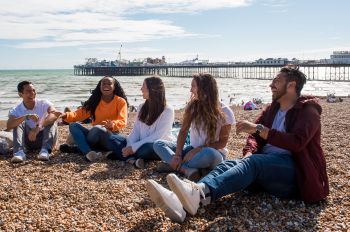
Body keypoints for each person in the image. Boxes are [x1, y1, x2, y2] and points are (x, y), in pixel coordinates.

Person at [146, 66, 329, 223]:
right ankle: (182, 201)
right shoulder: (272, 109)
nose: (271, 84)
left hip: (295, 174)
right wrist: (250, 150)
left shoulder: (308, 111)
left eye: (277, 81)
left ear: (291, 85)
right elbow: (254, 139)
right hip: (267, 165)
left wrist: (258, 129)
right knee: (229, 164)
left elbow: (297, 143)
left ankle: (199, 195)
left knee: (253, 163)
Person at [153, 73, 235, 181]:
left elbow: (222, 142)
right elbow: (183, 131)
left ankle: (174, 166)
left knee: (208, 153)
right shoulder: (193, 107)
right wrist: (177, 155)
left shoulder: (225, 111)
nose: (190, 90)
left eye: (193, 86)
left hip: (214, 154)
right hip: (191, 150)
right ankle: (186, 169)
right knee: (158, 144)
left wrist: (197, 150)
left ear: (204, 89)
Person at [103, 76, 175, 168]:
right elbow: (136, 131)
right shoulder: (141, 107)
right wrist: (129, 146)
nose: (141, 89)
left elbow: (157, 137)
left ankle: (124, 156)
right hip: (139, 143)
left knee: (147, 148)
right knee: (112, 139)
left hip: (155, 146)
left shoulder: (168, 110)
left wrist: (133, 148)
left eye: (143, 86)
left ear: (152, 89)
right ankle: (132, 160)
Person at [57, 76, 128, 161]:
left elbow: (123, 120)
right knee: (73, 125)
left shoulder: (120, 101)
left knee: (98, 128)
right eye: (103, 84)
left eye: (109, 84)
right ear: (100, 86)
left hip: (110, 137)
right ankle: (88, 153)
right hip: (93, 136)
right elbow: (78, 114)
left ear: (114, 87)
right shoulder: (95, 101)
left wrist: (112, 124)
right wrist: (65, 115)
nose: (106, 86)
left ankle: (78, 148)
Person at [7, 81, 58, 162]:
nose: (32, 93)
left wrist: (37, 128)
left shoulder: (44, 103)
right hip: (28, 141)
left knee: (51, 120)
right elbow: (9, 125)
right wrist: (25, 117)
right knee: (18, 122)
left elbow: (55, 114)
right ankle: (19, 152)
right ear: (20, 94)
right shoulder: (16, 110)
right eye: (28, 91)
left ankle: (45, 151)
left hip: (45, 138)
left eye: (33, 90)